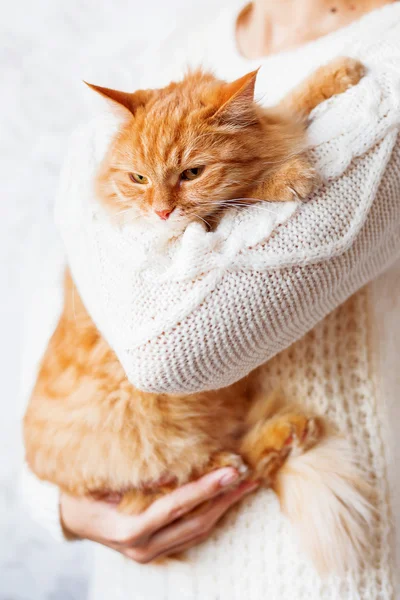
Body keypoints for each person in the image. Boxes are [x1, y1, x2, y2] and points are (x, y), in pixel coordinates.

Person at [21, 1, 400, 598]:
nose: (162, 207)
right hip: (131, 570)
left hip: (298, 574)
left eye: (187, 178)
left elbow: (164, 348)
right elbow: (48, 321)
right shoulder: (184, 42)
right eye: (145, 183)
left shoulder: (391, 55)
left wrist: (81, 171)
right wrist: (64, 507)